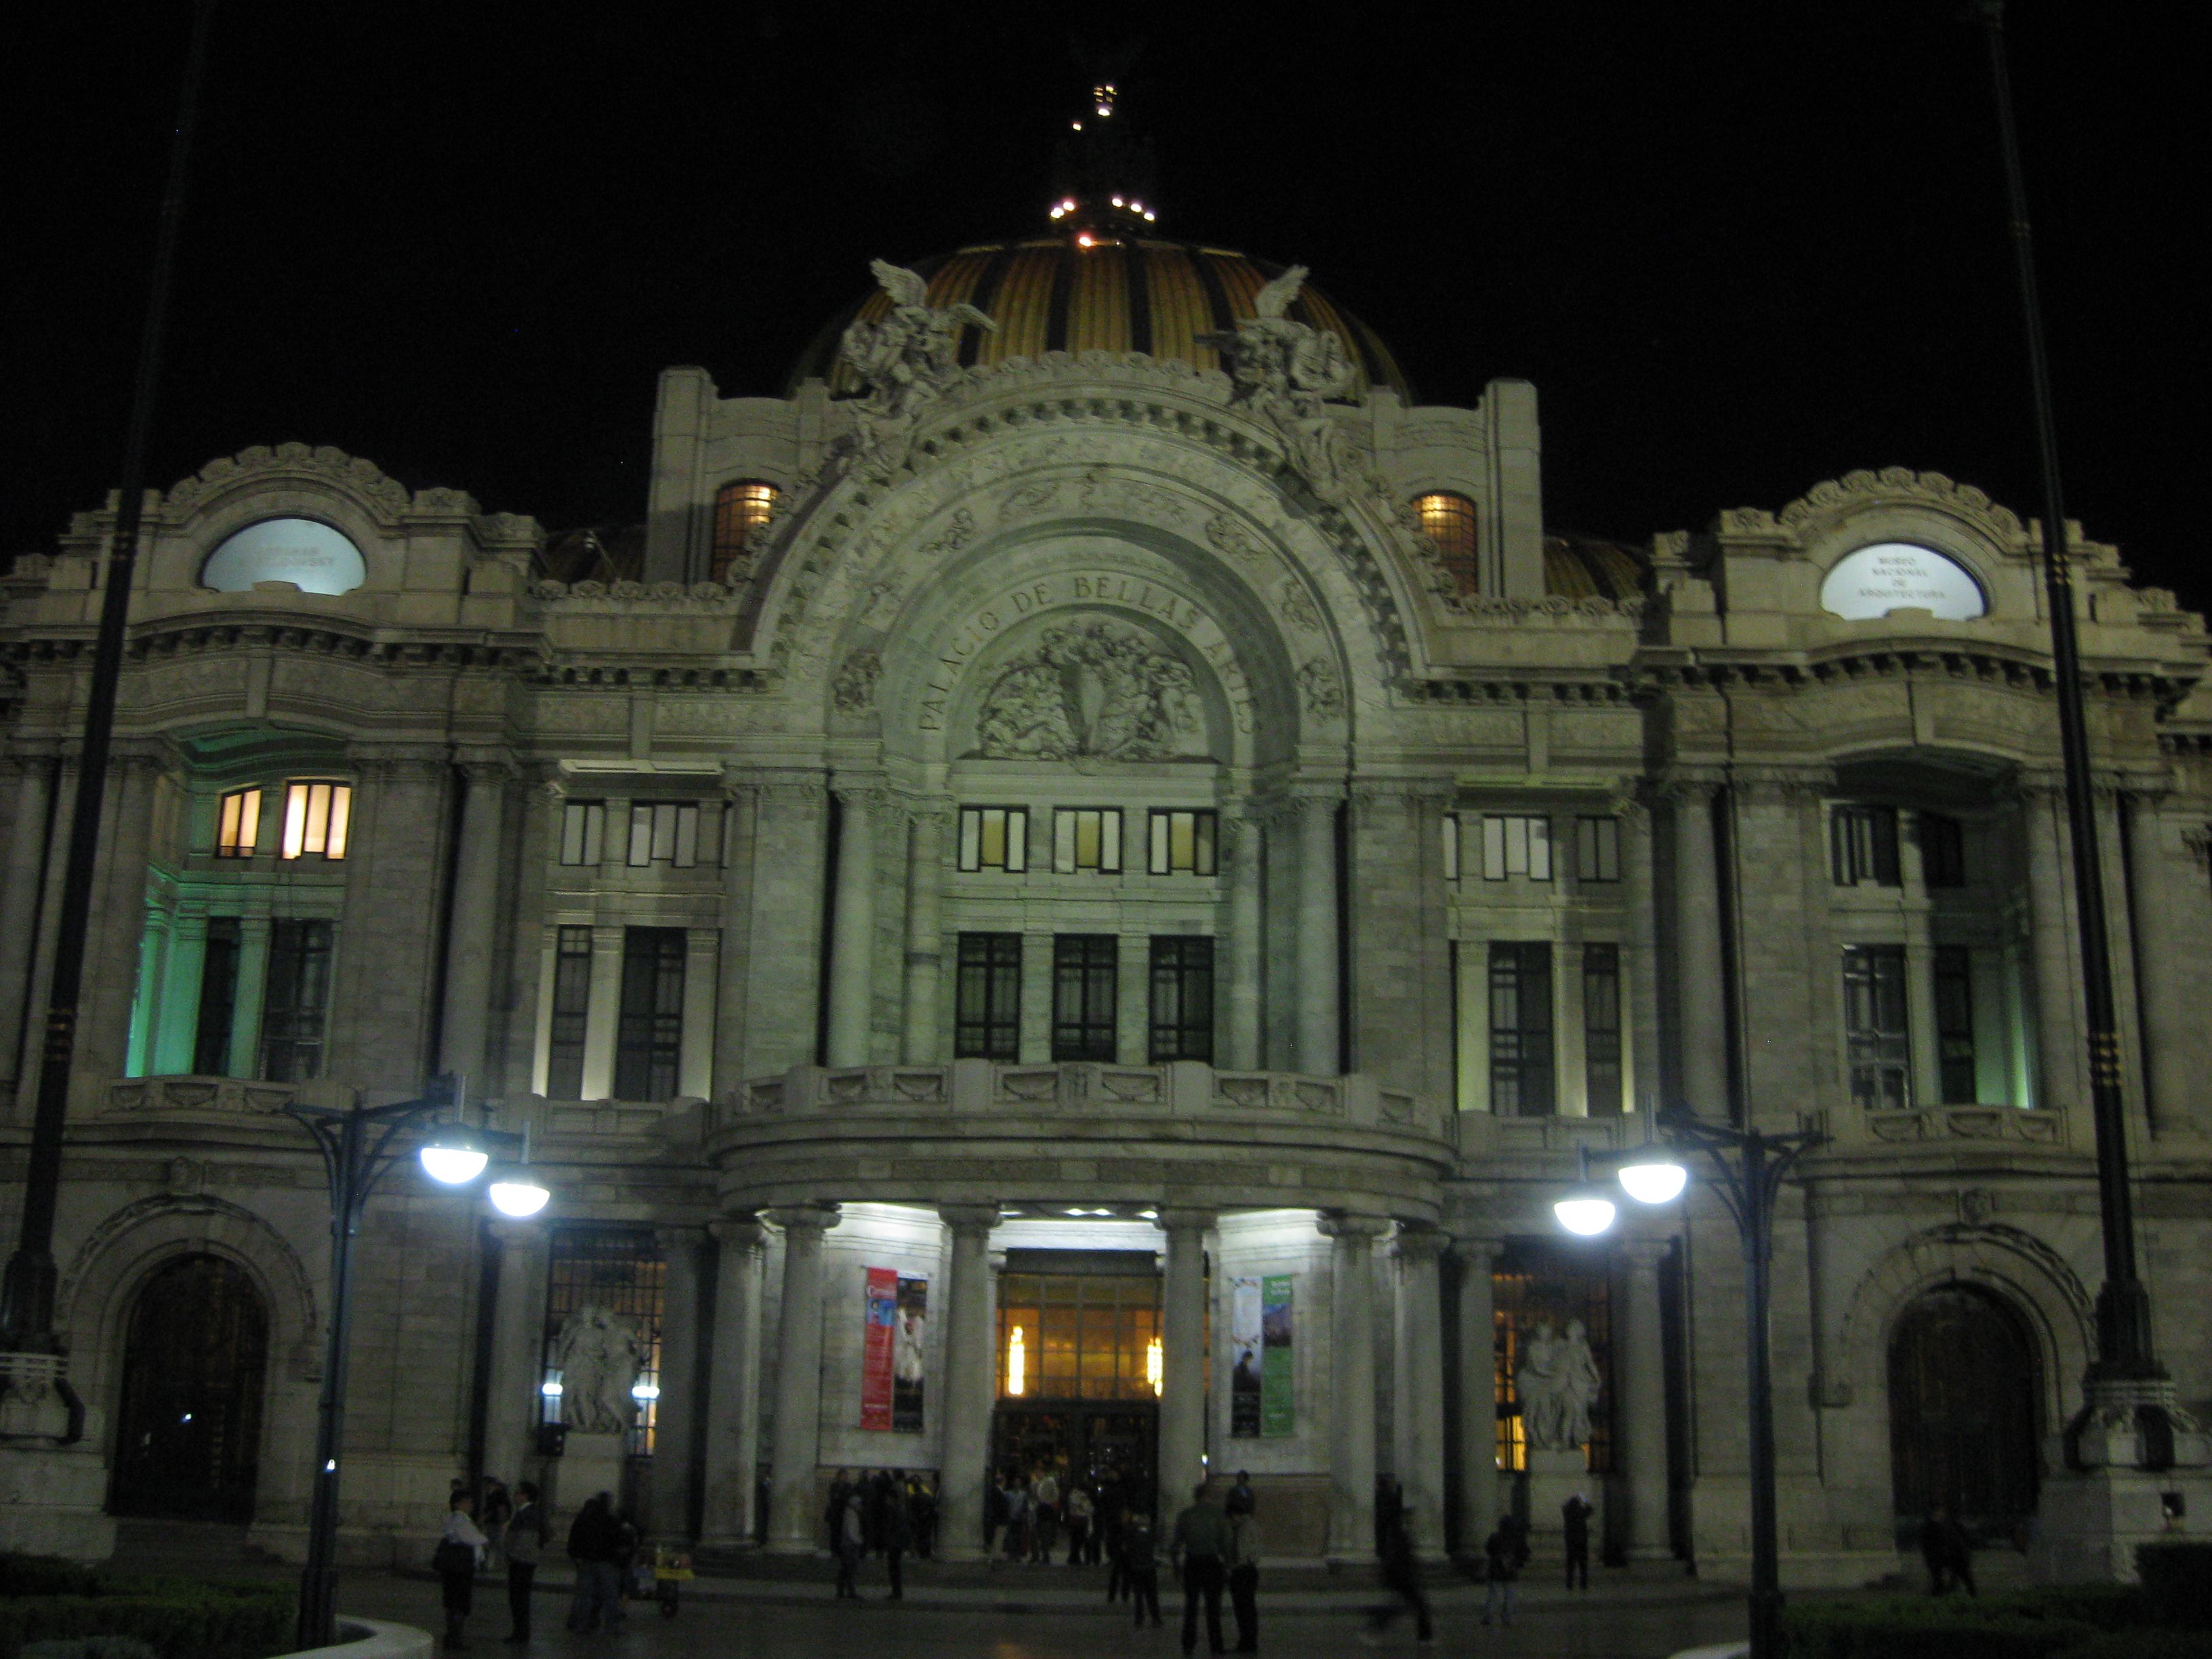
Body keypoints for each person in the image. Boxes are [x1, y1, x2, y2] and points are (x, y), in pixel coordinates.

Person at [1170, 1481, 1230, 1656]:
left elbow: (1176, 1544)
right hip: (1212, 1563)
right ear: (1209, 1496)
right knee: (1213, 1608)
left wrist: (1176, 1567)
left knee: (1191, 1606)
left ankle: (1188, 1644)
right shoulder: (1218, 1515)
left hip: (1193, 1562)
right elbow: (1225, 1543)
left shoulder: (1186, 1515)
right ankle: (1216, 1645)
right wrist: (1228, 1565)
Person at [1364, 1509, 1431, 1645]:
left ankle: (1425, 1636)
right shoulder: (1399, 1535)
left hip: (1403, 1577)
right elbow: (1399, 1557)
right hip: (1403, 1577)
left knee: (1404, 1607)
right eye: (1411, 1519)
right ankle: (1425, 1637)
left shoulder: (1400, 1534)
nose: (1415, 1521)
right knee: (1417, 1606)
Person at [436, 1489, 489, 1651]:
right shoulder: (460, 1519)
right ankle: (455, 1638)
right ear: (458, 1504)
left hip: (452, 1566)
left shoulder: (454, 1518)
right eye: (468, 1502)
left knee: (453, 1602)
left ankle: (452, 1636)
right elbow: (473, 1538)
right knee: (459, 1603)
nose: (471, 1505)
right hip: (460, 1567)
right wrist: (484, 1539)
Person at [564, 1492, 622, 1633]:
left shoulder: (584, 1518)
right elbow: (616, 1541)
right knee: (610, 1596)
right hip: (604, 1562)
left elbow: (575, 1538)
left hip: (586, 1561)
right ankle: (612, 1626)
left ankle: (581, 1625)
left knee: (585, 1596)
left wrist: (576, 1556)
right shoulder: (610, 1520)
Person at [501, 1480, 548, 1643]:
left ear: (525, 1496)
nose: (515, 1496)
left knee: (518, 1599)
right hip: (524, 1560)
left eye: (518, 1493)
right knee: (519, 1598)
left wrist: (512, 1555)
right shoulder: (530, 1512)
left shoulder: (527, 1514)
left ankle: (520, 1633)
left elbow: (525, 1540)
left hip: (521, 1561)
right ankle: (520, 1631)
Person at [1225, 1502, 1263, 1654]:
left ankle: (1247, 1642)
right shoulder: (1250, 1525)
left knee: (1243, 1609)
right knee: (1248, 1608)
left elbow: (1242, 1550)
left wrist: (1232, 1567)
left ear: (1235, 1515)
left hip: (1243, 1572)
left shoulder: (1244, 1529)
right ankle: (1248, 1641)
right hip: (1249, 1571)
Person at [1921, 1504, 1977, 1596]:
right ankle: (1941, 1594)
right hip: (1942, 1555)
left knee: (1961, 1576)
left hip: (1951, 1555)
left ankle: (1941, 1594)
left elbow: (1962, 1537)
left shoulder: (1947, 1524)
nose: (1943, 1514)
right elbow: (1928, 1542)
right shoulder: (1934, 1525)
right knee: (1940, 1579)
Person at [1481, 1514, 1525, 1628]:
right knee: (1509, 1594)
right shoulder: (1516, 1538)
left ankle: (1489, 1617)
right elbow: (1522, 1553)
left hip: (1495, 1568)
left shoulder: (1494, 1537)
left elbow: (1488, 1549)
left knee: (1493, 1594)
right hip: (1510, 1569)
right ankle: (1507, 1618)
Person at [1123, 1508, 1163, 1629]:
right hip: (1149, 1566)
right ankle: (1155, 1617)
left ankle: (1139, 1618)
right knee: (1152, 1595)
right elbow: (1156, 1543)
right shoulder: (1150, 1533)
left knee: (1139, 1595)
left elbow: (1126, 1548)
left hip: (1136, 1567)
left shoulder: (1131, 1533)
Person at [878, 1469, 913, 1599]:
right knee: (896, 1564)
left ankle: (896, 1592)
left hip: (895, 1535)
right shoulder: (905, 1489)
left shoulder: (895, 1490)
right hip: (902, 1532)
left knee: (893, 1565)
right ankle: (897, 1591)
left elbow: (890, 1511)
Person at [835, 1488, 867, 1600]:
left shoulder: (849, 1514)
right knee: (850, 1569)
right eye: (860, 1505)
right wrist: (859, 1541)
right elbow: (851, 1532)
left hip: (847, 1545)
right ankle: (850, 1591)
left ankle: (841, 1590)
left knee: (845, 1569)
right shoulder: (852, 1516)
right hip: (850, 1546)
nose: (861, 1507)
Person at [1563, 1491, 1593, 1591]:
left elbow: (1564, 1506)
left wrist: (1573, 1499)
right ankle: (1583, 1584)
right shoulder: (1581, 1514)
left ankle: (1569, 1584)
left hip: (1571, 1543)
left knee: (1570, 1566)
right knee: (1583, 1566)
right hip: (1581, 1542)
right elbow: (1590, 1508)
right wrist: (1583, 1498)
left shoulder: (1568, 1513)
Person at [1033, 1465, 1062, 1563]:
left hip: (1046, 1510)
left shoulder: (1049, 1482)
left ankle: (1046, 1556)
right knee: (1037, 1533)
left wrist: (1049, 1502)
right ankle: (1036, 1555)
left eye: (1038, 1472)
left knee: (1045, 1533)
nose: (1037, 1474)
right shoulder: (1036, 1484)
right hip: (1039, 1509)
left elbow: (1055, 1495)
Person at [1065, 1482, 1094, 1565]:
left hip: (1074, 1519)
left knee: (1075, 1540)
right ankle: (1076, 1557)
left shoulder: (1072, 1495)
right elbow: (1088, 1508)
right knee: (1081, 1540)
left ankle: (1073, 1557)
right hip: (1082, 1519)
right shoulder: (1083, 1497)